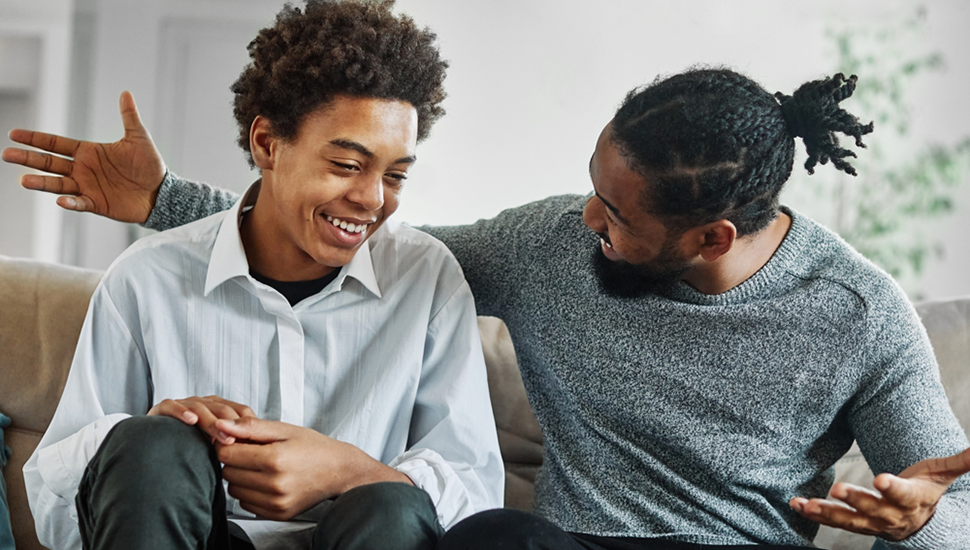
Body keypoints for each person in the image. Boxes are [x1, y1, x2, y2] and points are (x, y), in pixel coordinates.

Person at [5, 65, 969, 548]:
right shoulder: (553, 242)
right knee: (490, 538)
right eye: (593, 182)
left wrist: (924, 520)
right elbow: (365, 242)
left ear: (710, 237)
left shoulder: (858, 313)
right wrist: (165, 203)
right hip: (558, 548)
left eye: (617, 214)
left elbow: (948, 493)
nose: (586, 216)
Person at [6, 2, 504, 550]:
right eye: (346, 165)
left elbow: (475, 493)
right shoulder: (146, 278)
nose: (371, 199)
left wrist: (346, 469)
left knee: (391, 503)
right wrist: (149, 436)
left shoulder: (427, 277)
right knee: (151, 446)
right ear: (266, 143)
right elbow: (55, 510)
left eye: (395, 175)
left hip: (358, 538)